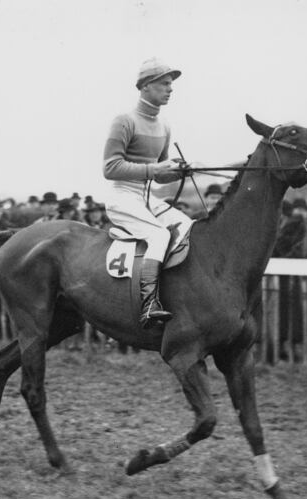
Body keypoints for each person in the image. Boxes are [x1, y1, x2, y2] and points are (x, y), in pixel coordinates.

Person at [101, 57, 193, 327]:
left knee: (189, 227)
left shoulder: (164, 126)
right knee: (159, 235)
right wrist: (155, 169)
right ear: (145, 87)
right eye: (164, 83)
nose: (170, 89)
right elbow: (110, 168)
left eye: (171, 84)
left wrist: (177, 172)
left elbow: (159, 175)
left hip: (147, 198)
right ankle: (149, 304)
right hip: (122, 196)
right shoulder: (124, 121)